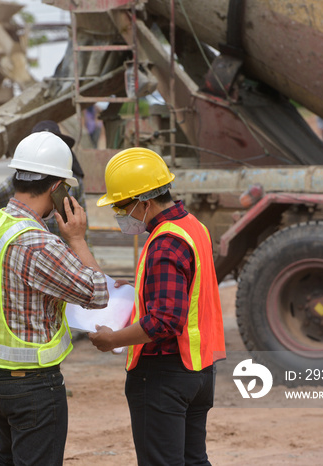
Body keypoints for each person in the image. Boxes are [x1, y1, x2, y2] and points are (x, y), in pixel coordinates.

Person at [0, 131, 109, 465]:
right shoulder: (38, 243)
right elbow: (98, 293)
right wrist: (77, 239)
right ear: (56, 188)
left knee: (7, 457)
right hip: (32, 384)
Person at [89, 147, 226, 465]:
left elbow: (165, 320)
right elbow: (187, 291)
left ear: (144, 202)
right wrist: (141, 289)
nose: (120, 215)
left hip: (164, 375)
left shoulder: (165, 242)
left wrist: (112, 339)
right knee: (194, 460)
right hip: (199, 370)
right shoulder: (192, 226)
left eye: (121, 206)